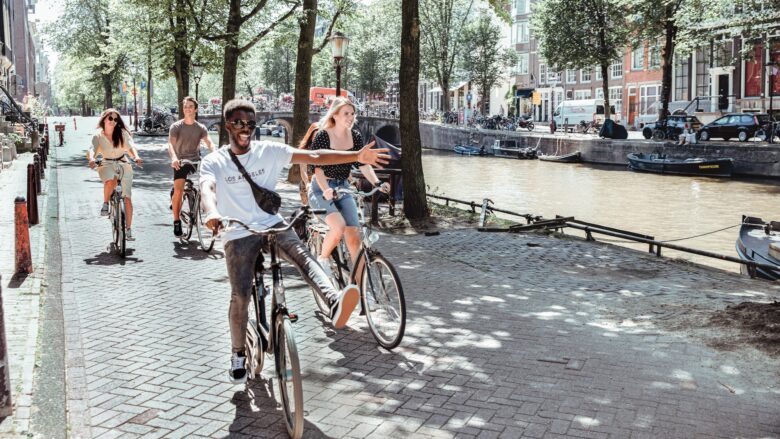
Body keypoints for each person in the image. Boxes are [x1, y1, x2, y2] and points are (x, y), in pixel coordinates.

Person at [199, 99, 390, 383]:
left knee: (303, 256)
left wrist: (354, 157)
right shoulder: (215, 160)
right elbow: (207, 188)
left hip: (271, 223)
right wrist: (212, 212)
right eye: (239, 123)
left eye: (251, 124)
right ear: (227, 125)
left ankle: (334, 301)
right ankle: (238, 352)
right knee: (240, 296)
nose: (245, 129)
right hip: (239, 231)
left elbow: (314, 157)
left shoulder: (270, 151)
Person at [307, 97, 389, 278]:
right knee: (338, 227)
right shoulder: (323, 135)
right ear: (335, 115)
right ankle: (322, 258)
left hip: (343, 187)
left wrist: (377, 183)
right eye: (346, 113)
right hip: (322, 189)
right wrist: (326, 189)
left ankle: (360, 289)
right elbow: (317, 169)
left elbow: (364, 165)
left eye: (352, 113)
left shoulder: (356, 137)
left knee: (354, 237)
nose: (351, 117)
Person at [87, 109, 143, 240]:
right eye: (110, 118)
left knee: (127, 198)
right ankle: (106, 203)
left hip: (123, 163)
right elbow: (91, 149)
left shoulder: (122, 133)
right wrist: (91, 159)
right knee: (110, 181)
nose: (113, 121)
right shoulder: (98, 136)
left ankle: (128, 230)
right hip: (106, 164)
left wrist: (136, 157)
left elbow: (130, 147)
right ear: (104, 119)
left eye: (116, 119)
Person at [168, 96, 215, 237]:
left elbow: (209, 143)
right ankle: (176, 221)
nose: (187, 109)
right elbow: (170, 144)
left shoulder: (200, 128)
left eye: (190, 106)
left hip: (195, 161)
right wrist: (174, 158)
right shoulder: (176, 126)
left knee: (209, 185)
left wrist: (216, 152)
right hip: (180, 162)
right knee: (178, 190)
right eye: (185, 106)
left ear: (195, 109)